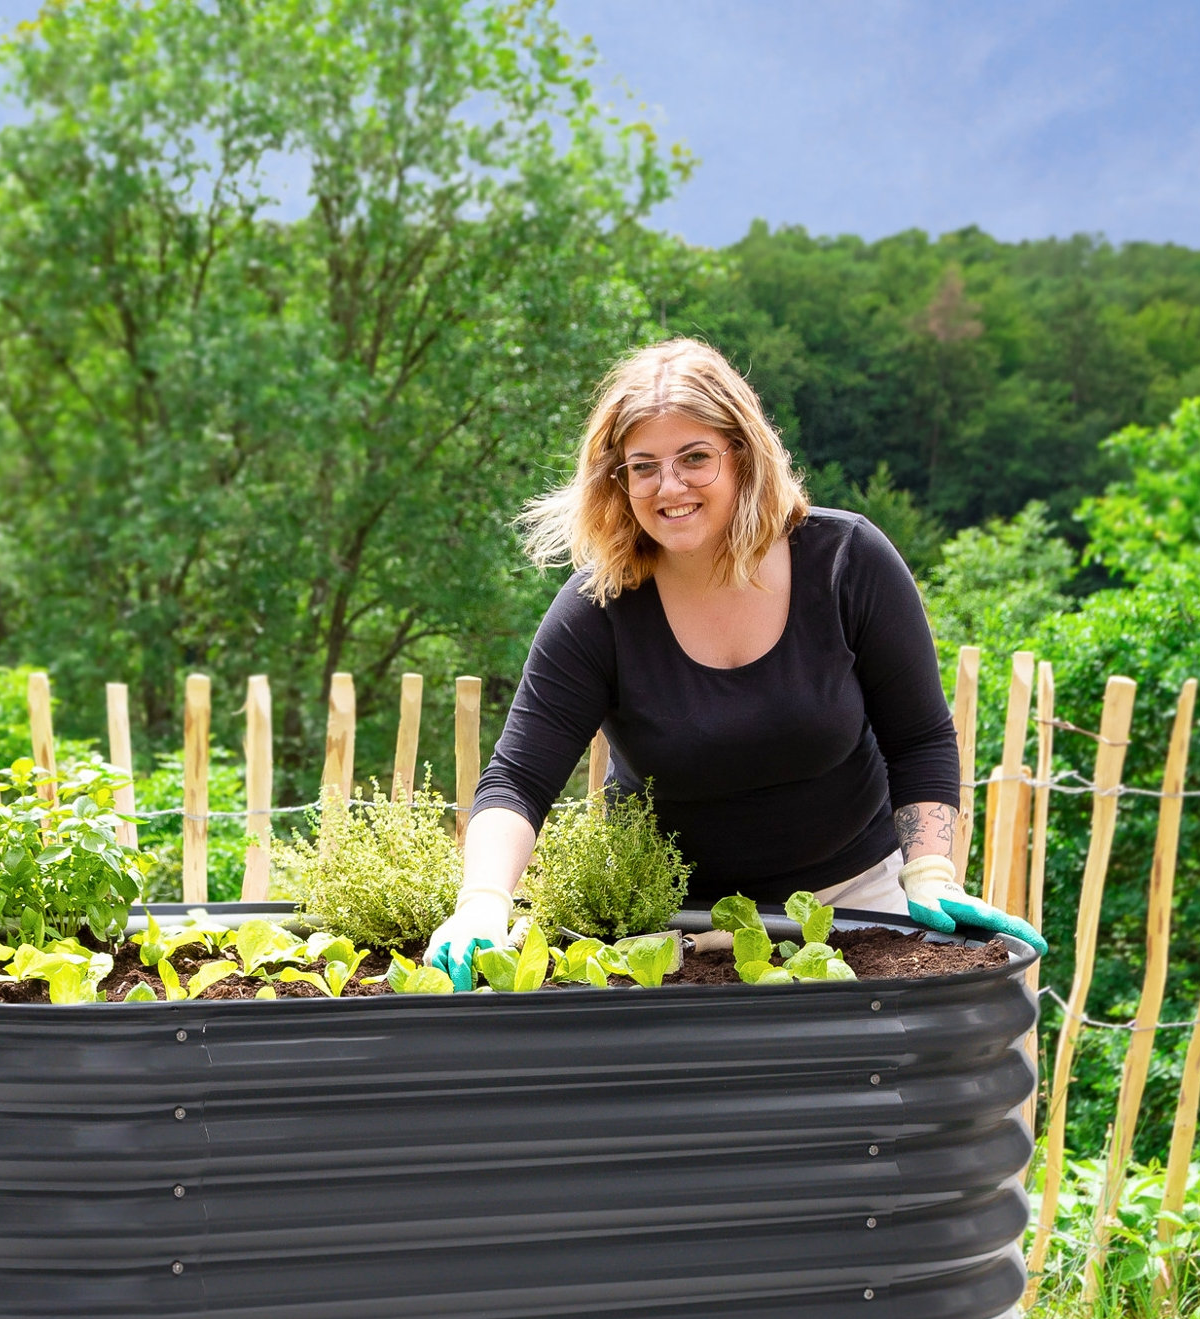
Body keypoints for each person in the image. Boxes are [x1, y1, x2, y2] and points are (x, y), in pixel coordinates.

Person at [424, 337, 1046, 988]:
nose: (669, 487)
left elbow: (919, 738)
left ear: (743, 456)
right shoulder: (599, 608)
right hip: (670, 928)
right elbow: (518, 780)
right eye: (643, 467)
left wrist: (928, 872)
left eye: (695, 458)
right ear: (619, 480)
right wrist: (483, 903)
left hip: (860, 906)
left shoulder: (846, 563)